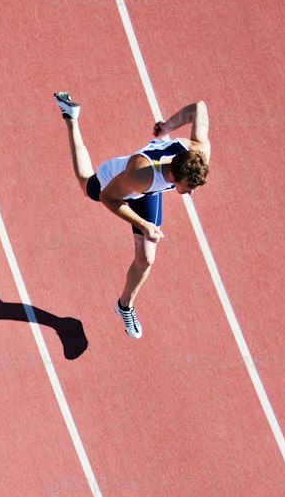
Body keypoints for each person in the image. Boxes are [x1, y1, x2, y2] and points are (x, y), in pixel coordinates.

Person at [54, 93, 210, 339]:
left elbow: (199, 108)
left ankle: (124, 306)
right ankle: (71, 117)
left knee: (146, 258)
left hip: (149, 189)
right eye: (187, 188)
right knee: (86, 183)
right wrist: (144, 225)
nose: (190, 194)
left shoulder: (199, 152)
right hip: (118, 180)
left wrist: (167, 126)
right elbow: (109, 198)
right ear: (174, 177)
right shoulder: (140, 176)